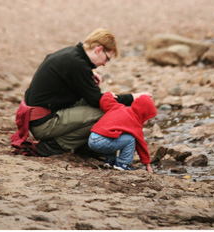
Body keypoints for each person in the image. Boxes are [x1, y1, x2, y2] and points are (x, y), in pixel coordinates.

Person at [12, 28, 135, 157]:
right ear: (99, 49)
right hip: (42, 124)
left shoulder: (70, 54)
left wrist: (89, 74)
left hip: (35, 117)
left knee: (88, 104)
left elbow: (83, 90)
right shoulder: (78, 64)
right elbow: (98, 101)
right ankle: (52, 146)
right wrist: (132, 98)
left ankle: (83, 147)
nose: (104, 64)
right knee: (103, 112)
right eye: (107, 58)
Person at [88, 91, 157, 172]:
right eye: (148, 120)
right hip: (102, 143)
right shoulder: (135, 123)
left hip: (92, 138)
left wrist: (109, 94)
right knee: (130, 138)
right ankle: (123, 164)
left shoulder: (118, 107)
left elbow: (105, 101)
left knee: (114, 133)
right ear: (143, 114)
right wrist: (147, 164)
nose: (146, 124)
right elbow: (141, 145)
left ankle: (110, 161)